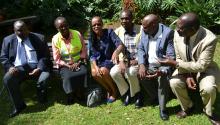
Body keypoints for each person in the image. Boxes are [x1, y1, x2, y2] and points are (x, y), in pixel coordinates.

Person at [159, 12, 220, 125]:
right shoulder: (178, 33)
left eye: (181, 28)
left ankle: (208, 111)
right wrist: (186, 75)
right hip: (184, 67)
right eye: (177, 26)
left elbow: (201, 65)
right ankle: (188, 106)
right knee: (174, 82)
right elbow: (178, 56)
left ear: (192, 29)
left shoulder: (210, 39)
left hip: (205, 69)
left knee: (209, 88)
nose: (177, 30)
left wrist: (175, 64)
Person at [0, 20, 51, 117]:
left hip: (37, 66)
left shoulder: (39, 38)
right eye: (19, 31)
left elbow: (45, 56)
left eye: (24, 30)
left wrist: (39, 68)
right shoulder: (7, 40)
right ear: (14, 31)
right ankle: (19, 106)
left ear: (27, 28)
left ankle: (41, 98)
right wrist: (10, 67)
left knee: (44, 78)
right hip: (18, 69)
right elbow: (3, 57)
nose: (22, 33)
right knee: (7, 79)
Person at [137, 14, 175, 120]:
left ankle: (162, 109)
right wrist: (141, 65)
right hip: (149, 65)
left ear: (154, 25)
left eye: (145, 27)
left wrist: (163, 70)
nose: (143, 29)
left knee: (162, 78)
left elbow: (171, 57)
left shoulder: (168, 33)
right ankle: (155, 97)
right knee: (140, 74)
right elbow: (140, 48)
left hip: (163, 66)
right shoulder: (145, 31)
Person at [110, 9, 142, 108]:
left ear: (132, 19)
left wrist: (137, 60)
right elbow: (117, 47)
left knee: (131, 72)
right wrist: (121, 61)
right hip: (124, 60)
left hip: (137, 60)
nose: (124, 21)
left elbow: (145, 48)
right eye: (122, 19)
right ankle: (126, 92)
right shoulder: (118, 31)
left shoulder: (141, 30)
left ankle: (137, 95)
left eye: (127, 18)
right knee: (114, 72)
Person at [52, 16, 87, 105]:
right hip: (64, 64)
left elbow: (83, 49)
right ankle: (70, 94)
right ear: (57, 29)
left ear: (68, 25)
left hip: (79, 61)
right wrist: (68, 65)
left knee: (83, 72)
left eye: (65, 25)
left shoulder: (77, 34)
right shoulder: (55, 39)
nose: (64, 28)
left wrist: (78, 62)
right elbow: (57, 58)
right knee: (68, 76)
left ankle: (79, 92)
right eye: (61, 27)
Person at [89, 16, 124, 103]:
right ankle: (108, 89)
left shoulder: (109, 32)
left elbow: (120, 45)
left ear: (102, 24)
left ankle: (114, 91)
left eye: (98, 24)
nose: (96, 26)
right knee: (94, 73)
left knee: (103, 71)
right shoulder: (91, 38)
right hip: (100, 62)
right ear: (91, 26)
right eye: (94, 25)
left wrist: (116, 52)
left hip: (110, 60)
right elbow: (92, 56)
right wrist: (95, 67)